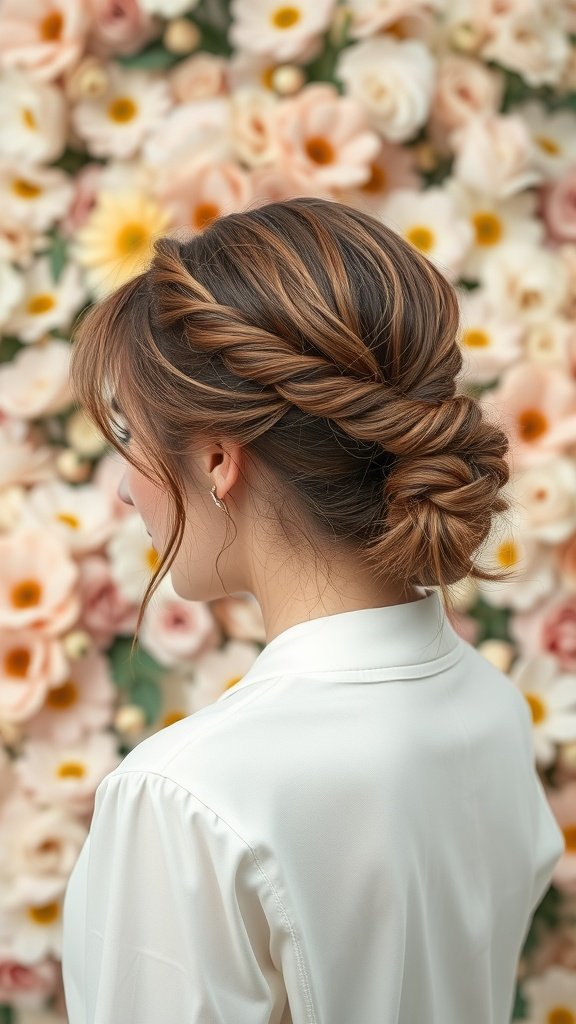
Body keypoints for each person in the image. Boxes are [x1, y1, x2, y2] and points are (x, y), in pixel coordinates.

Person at [62, 196, 565, 1024]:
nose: (124, 485)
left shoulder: (188, 797)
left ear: (220, 459)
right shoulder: (490, 706)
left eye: (132, 437)